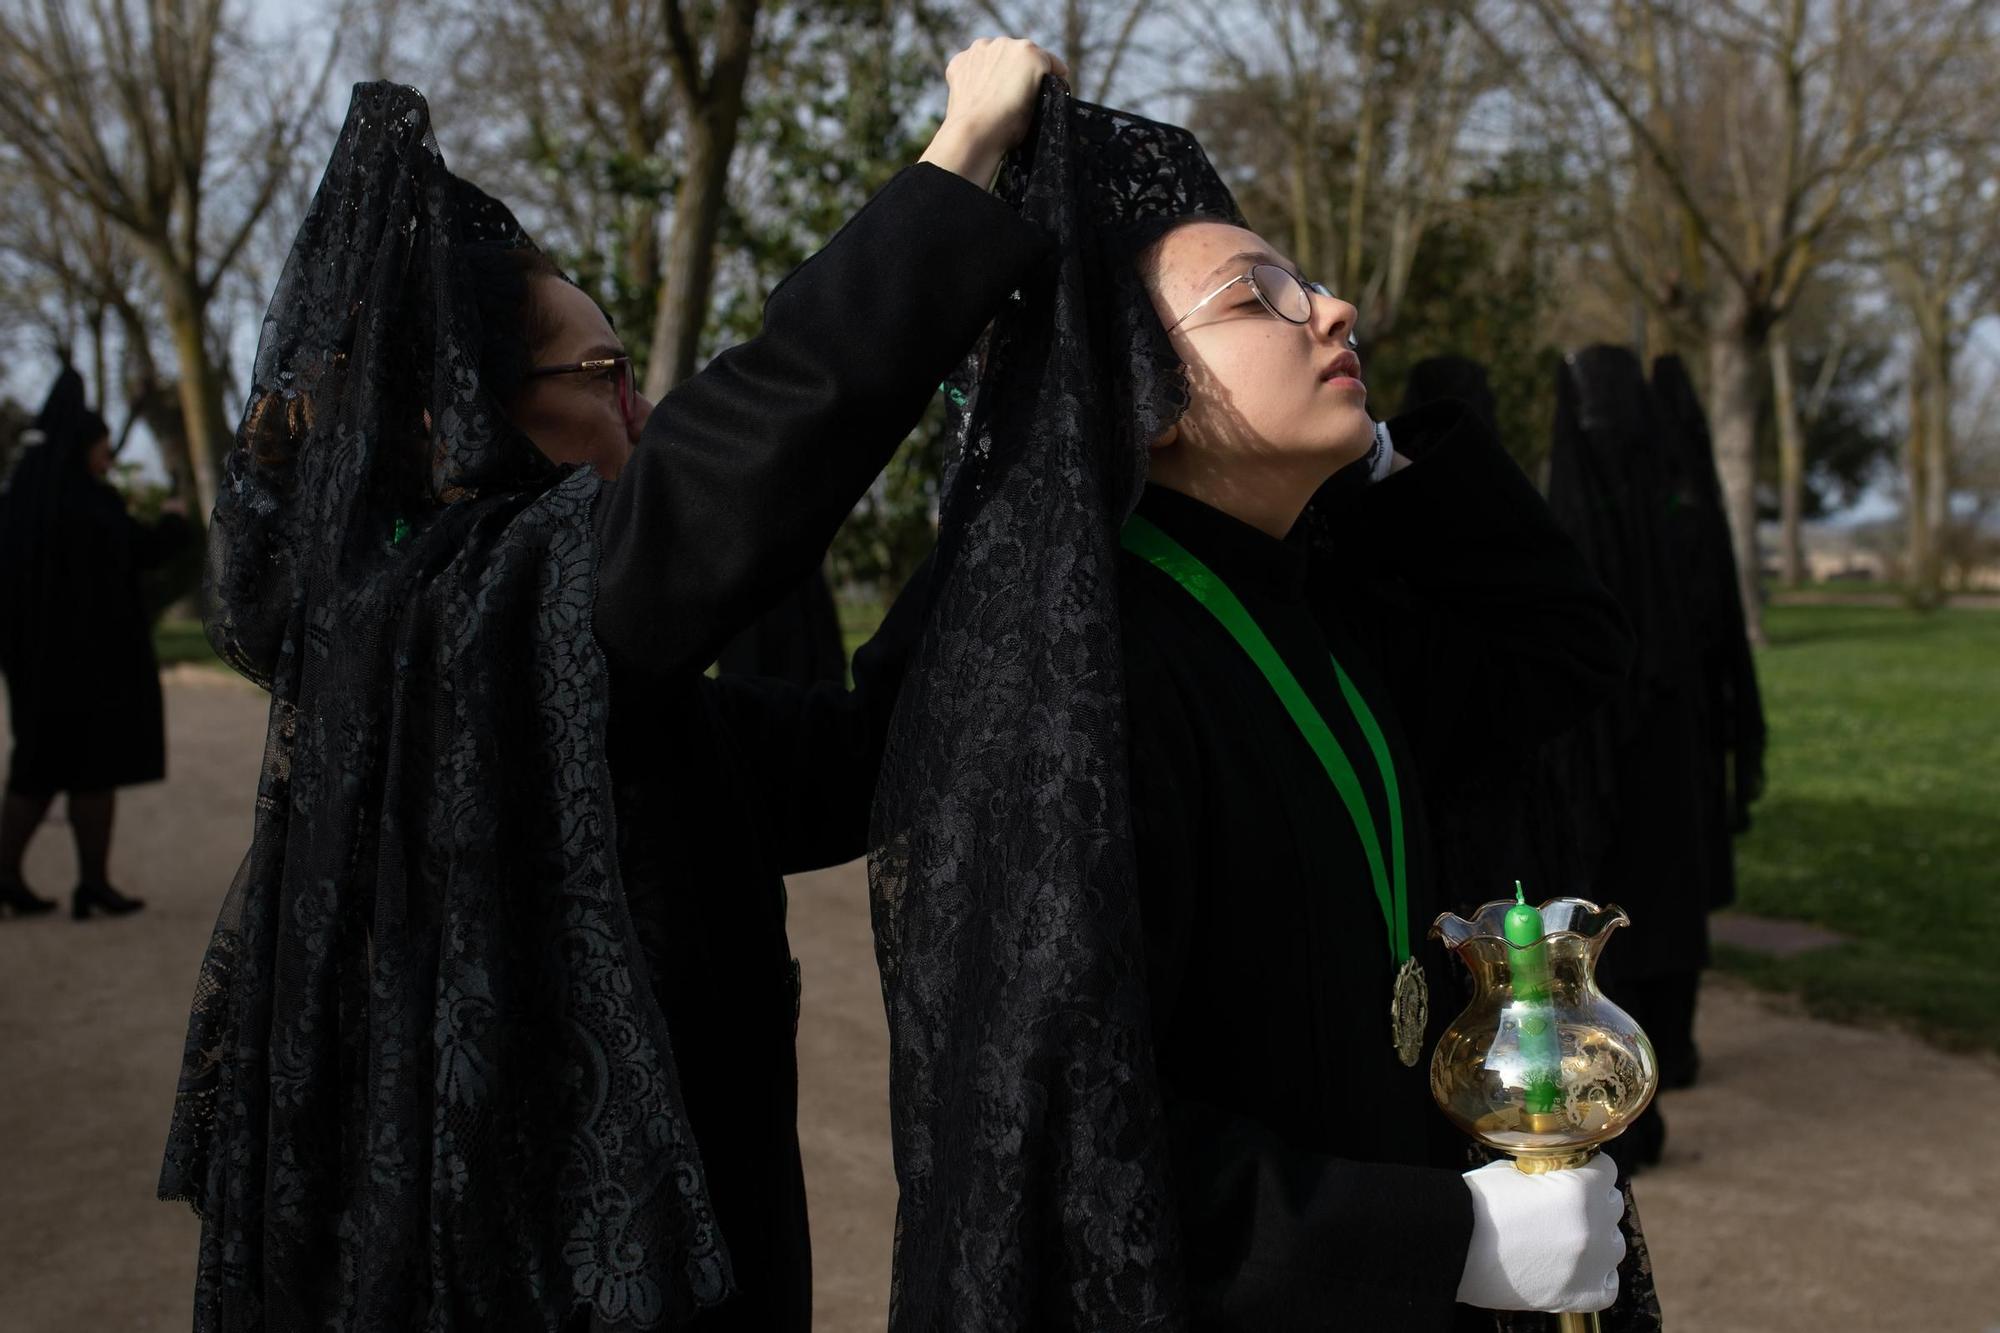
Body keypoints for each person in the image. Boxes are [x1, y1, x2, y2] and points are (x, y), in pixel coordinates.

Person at [160, 40, 1062, 1330]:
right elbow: (739, 466)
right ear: (456, 416)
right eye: (599, 375)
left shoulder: (543, 667)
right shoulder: (441, 625)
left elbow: (865, 754)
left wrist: (1016, 478)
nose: (640, 410)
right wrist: (958, 155)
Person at [868, 87, 1654, 1330]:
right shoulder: (1086, 682)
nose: (1333, 307)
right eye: (1256, 297)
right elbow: (1078, 1136)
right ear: (1143, 395)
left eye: (1312, 284)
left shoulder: (1313, 592)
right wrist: (1434, 1240)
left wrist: (1375, 453)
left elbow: (1564, 650)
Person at [0, 367, 190, 920]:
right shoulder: (89, 504)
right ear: (83, 448)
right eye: (103, 450)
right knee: (88, 770)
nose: (107, 460)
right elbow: (142, 551)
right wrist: (175, 523)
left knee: (40, 769)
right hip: (90, 667)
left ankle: (18, 875)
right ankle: (88, 883)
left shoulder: (18, 504)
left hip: (35, 664)